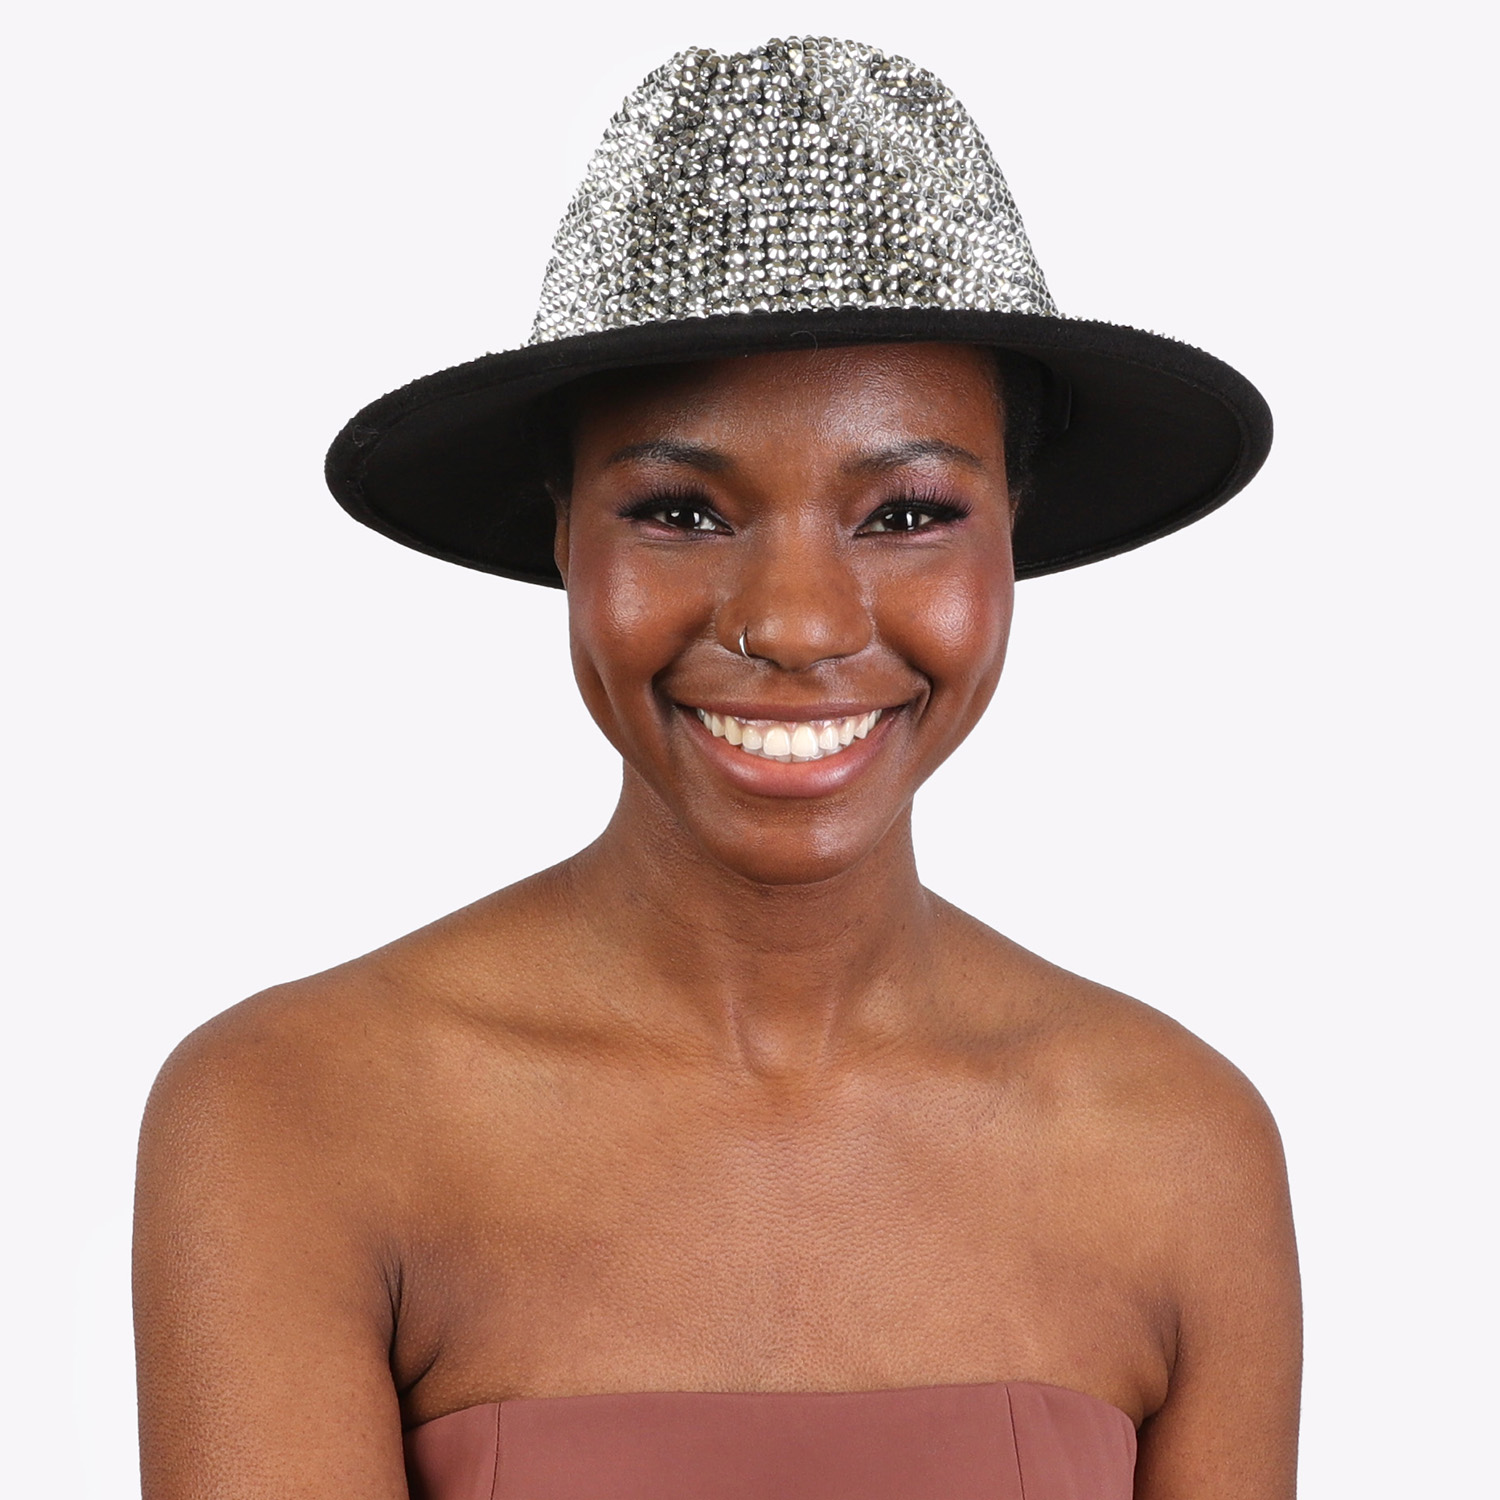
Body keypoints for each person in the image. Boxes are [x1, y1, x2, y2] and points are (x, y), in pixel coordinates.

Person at [133, 36, 1301, 1500]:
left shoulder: (1178, 1149)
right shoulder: (296, 1114)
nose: (797, 625)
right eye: (682, 511)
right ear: (563, 531)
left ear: (1017, 529)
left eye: (907, 513)